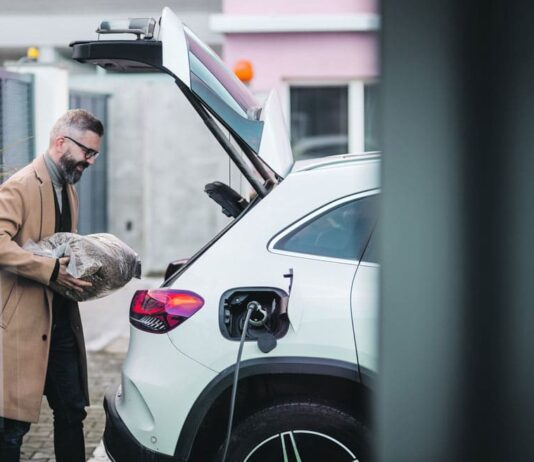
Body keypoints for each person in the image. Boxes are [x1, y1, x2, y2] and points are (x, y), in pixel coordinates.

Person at [0, 109, 104, 462]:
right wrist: (48, 270)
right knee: (11, 430)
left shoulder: (69, 189)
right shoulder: (20, 186)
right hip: (22, 327)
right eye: (87, 152)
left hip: (61, 322)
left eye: (95, 154)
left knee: (72, 411)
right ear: (61, 142)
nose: (90, 161)